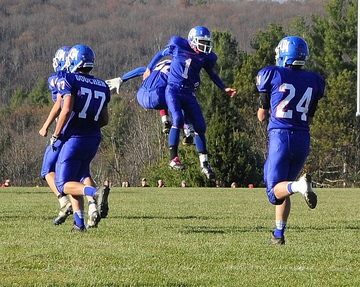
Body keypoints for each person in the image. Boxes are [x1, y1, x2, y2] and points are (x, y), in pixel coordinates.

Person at [256, 36, 325, 245]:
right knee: (284, 187)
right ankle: (278, 235)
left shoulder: (273, 73)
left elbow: (261, 115)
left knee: (274, 191)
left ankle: (301, 186)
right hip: (303, 138)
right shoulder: (315, 79)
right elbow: (310, 117)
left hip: (281, 136)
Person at [143, 26, 236, 179]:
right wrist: (149, 68)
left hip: (188, 92)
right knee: (178, 118)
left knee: (200, 126)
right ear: (192, 40)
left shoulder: (205, 57)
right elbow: (161, 53)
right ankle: (173, 158)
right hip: (173, 89)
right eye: (201, 42)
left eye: (207, 42)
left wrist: (224, 88)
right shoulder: (178, 45)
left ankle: (205, 164)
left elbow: (212, 74)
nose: (205, 46)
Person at [51, 44, 111, 232]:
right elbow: (104, 119)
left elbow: (66, 109)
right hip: (93, 137)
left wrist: (56, 133)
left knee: (63, 184)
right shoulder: (102, 85)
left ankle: (95, 193)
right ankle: (79, 225)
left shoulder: (69, 79)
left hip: (74, 138)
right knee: (75, 180)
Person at [106, 60, 195, 145]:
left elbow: (139, 70)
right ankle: (187, 131)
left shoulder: (156, 69)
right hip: (158, 97)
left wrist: (121, 79)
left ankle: (165, 120)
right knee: (180, 98)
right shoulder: (178, 71)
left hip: (141, 97)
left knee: (163, 90)